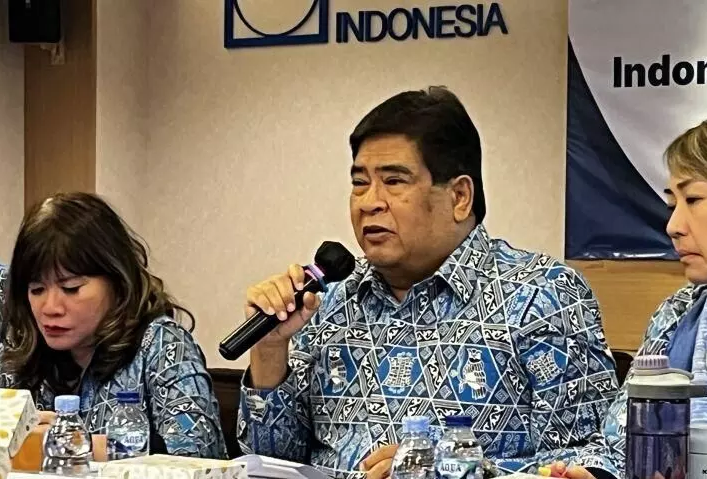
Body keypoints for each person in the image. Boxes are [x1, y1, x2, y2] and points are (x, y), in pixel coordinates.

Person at [236, 86, 619, 478]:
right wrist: (270, 349)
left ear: (460, 197)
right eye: (360, 182)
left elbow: (595, 460)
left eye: (394, 181)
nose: (369, 202)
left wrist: (454, 470)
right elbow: (271, 464)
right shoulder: (326, 301)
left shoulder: (542, 295)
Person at [551, 107, 707, 479]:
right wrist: (596, 475)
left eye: (693, 200)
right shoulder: (678, 314)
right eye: (672, 205)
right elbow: (618, 447)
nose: (673, 226)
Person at [0, 192, 227, 459]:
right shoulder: (19, 352)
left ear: (118, 282)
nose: (50, 308)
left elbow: (198, 454)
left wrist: (77, 445)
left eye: (71, 288)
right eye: (36, 289)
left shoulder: (161, 344)